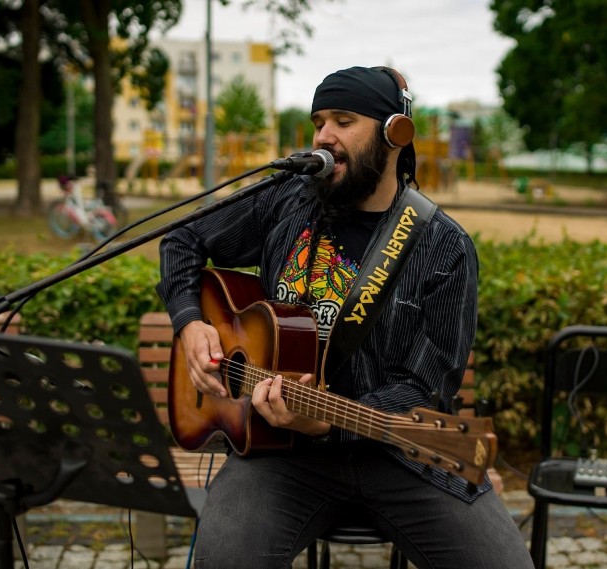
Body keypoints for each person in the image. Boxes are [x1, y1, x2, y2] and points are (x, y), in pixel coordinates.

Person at [156, 65, 533, 569]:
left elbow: (422, 388)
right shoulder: (285, 200)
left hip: (401, 454)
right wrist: (190, 322)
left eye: (342, 120)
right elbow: (182, 239)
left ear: (394, 133)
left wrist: (326, 422)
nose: (323, 137)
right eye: (317, 123)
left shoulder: (444, 247)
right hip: (281, 455)